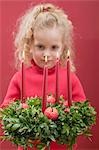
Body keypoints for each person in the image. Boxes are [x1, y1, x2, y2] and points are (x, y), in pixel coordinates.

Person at [1, 3, 86, 150]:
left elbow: (81, 111)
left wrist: (68, 116)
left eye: (54, 47)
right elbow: (5, 112)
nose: (47, 54)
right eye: (40, 47)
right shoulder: (19, 78)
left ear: (63, 48)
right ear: (30, 45)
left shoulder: (70, 78)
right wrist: (22, 117)